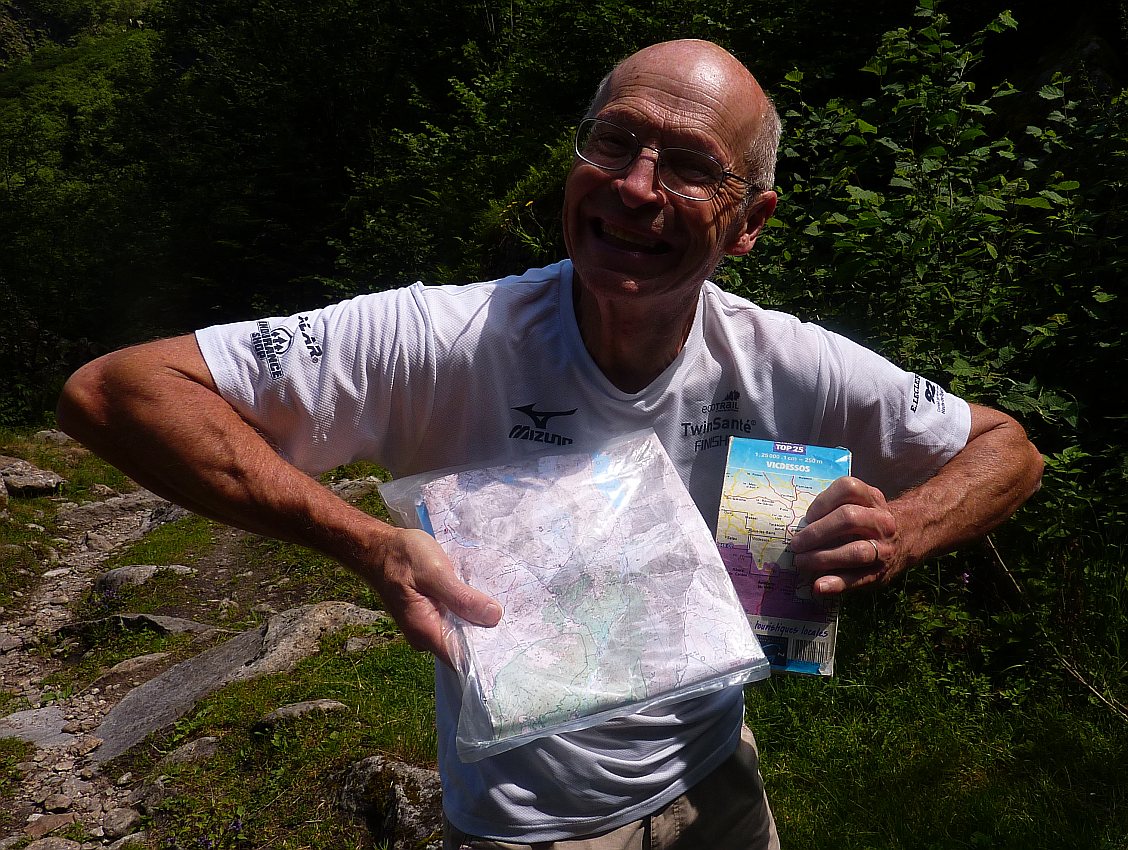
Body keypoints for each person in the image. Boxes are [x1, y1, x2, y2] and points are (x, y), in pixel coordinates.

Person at [57, 39, 1042, 850]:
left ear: (749, 222)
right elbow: (118, 391)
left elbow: (1008, 447)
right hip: (526, 827)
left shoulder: (787, 362)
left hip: (717, 780)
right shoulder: (443, 338)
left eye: (690, 165)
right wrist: (368, 543)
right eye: (614, 141)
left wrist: (902, 531)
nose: (636, 186)